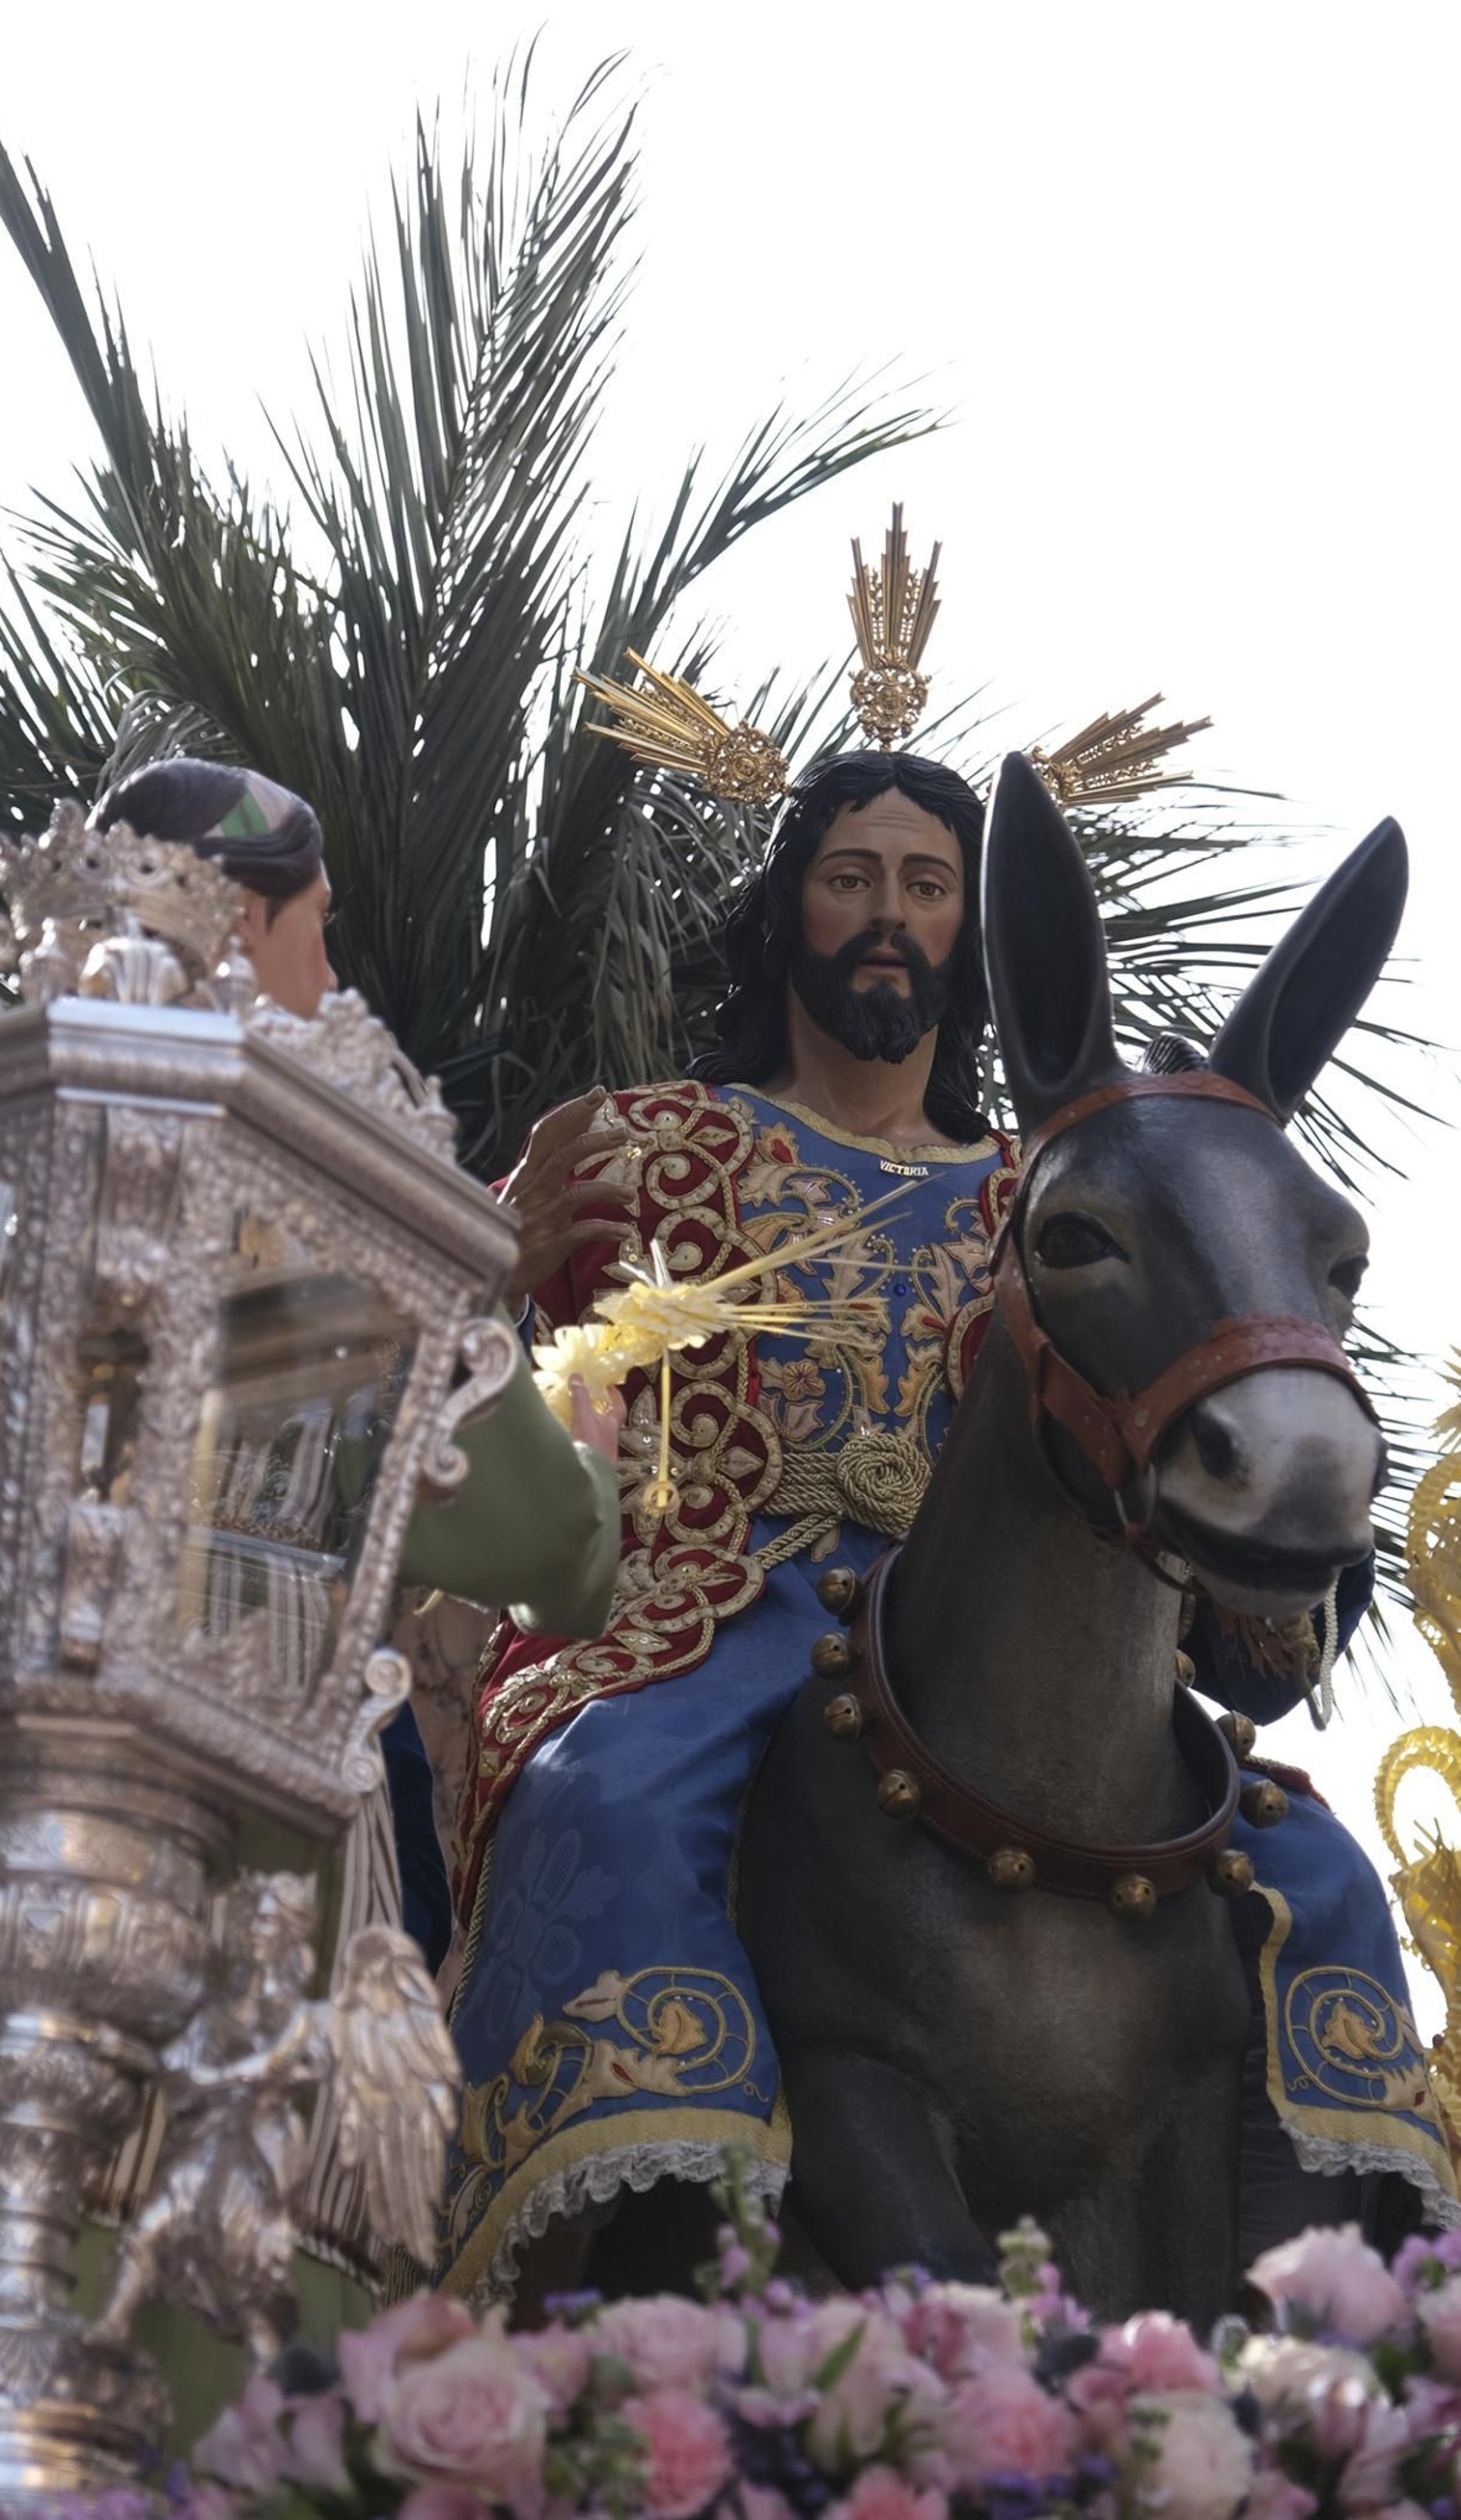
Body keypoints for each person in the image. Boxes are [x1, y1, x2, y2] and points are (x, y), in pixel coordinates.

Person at [435, 533, 1388, 2310]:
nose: (891, 912)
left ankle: (1347, 2305)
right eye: (854, 876)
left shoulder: (1060, 1189)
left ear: (973, 934)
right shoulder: (645, 1141)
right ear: (791, 905)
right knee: (610, 1806)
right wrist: (488, 1282)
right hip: (711, 1617)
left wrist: (1249, 1580)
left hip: (1002, 1638)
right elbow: (468, 1365)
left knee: (1309, 1870)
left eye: (931, 884)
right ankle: (609, 2228)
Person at [75, 757, 623, 2411]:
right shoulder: (335, 1201)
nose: (336, 970)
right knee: (222, 2377)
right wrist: (587, 1432)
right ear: (244, 925)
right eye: (319, 926)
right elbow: (551, 1555)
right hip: (246, 1878)